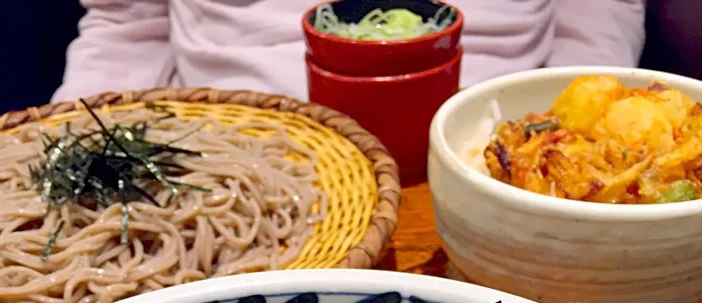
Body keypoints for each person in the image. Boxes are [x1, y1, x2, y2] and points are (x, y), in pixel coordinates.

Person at [54, 0, 646, 105]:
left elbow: (598, 6)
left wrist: (564, 118)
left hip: (489, 137)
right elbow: (127, 20)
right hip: (223, 143)